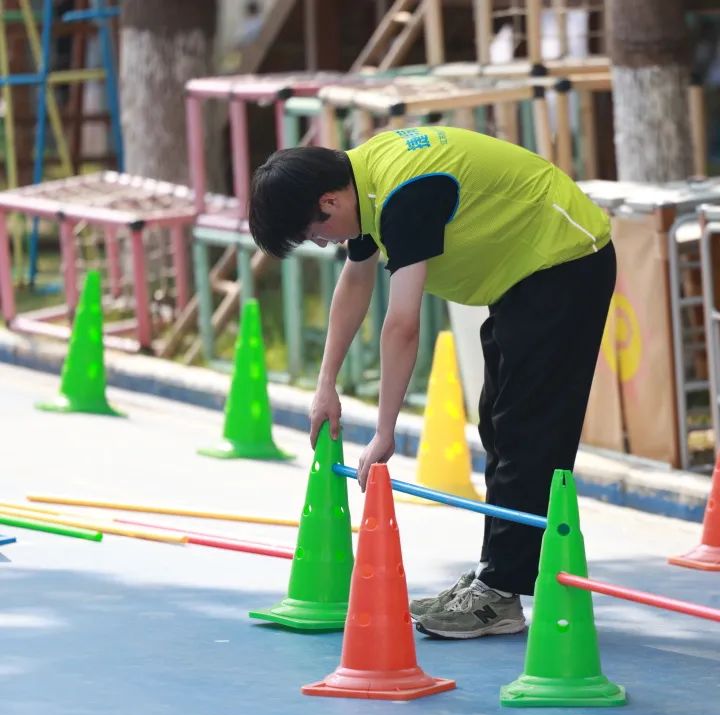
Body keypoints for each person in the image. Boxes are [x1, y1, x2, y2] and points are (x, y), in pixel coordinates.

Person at [249, 126, 615, 640]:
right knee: (499, 424)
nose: (325, 242)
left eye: (316, 233)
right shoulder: (363, 179)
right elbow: (355, 280)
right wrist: (325, 384)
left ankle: (501, 591)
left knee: (526, 429)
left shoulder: (404, 195)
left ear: (329, 202)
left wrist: (385, 432)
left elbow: (402, 323)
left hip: (565, 260)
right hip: (525, 271)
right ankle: (495, 575)